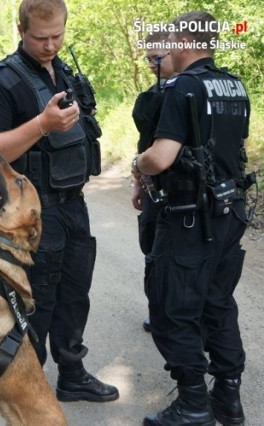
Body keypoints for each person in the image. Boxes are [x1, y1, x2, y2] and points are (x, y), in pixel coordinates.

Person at [0, 0, 119, 403]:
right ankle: (28, 390)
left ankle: (71, 374)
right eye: (41, 37)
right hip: (34, 213)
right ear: (21, 30)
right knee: (38, 302)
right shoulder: (0, 81)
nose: (51, 45)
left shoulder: (63, 72)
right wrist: (41, 125)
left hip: (74, 204)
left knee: (75, 294)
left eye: (58, 35)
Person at [133, 11, 253, 426]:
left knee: (173, 311)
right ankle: (228, 397)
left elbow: (161, 156)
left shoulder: (183, 87)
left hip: (188, 217)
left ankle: (193, 404)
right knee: (217, 304)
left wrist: (138, 162)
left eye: (170, 37)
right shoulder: (235, 86)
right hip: (229, 211)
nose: (164, 45)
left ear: (185, 39)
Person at [131, 31, 176, 334]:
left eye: (157, 58)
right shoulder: (150, 96)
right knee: (152, 252)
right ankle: (157, 311)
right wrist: (137, 182)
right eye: (148, 58)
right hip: (153, 192)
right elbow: (143, 147)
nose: (151, 64)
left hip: (184, 192)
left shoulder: (190, 93)